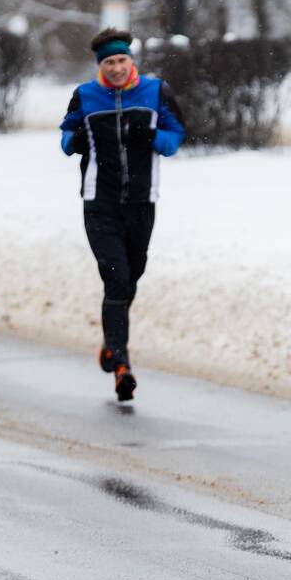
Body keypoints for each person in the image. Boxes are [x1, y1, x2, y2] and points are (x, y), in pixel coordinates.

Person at [60, 28, 186, 402]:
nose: (116, 68)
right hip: (99, 201)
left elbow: (175, 138)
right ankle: (121, 364)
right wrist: (75, 141)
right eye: (109, 63)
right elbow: (66, 137)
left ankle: (110, 339)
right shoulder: (85, 96)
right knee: (116, 279)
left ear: (132, 61)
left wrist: (152, 137)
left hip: (142, 202)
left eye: (121, 61)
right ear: (100, 66)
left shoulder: (156, 91)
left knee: (132, 276)